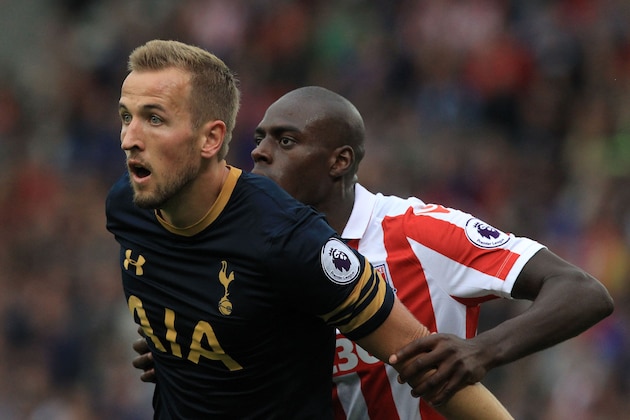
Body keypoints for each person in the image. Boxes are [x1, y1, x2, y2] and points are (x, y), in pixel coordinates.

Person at [131, 85, 614, 419]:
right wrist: (192, 353)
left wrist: (483, 350)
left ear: (339, 161)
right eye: (259, 139)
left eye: (286, 140)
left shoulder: (419, 232)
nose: (259, 152)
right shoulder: (246, 248)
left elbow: (581, 290)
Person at [106, 40, 513, 419]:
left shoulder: (290, 238)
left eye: (154, 119)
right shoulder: (128, 205)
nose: (129, 139)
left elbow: (417, 357)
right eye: (127, 116)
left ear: (211, 138)